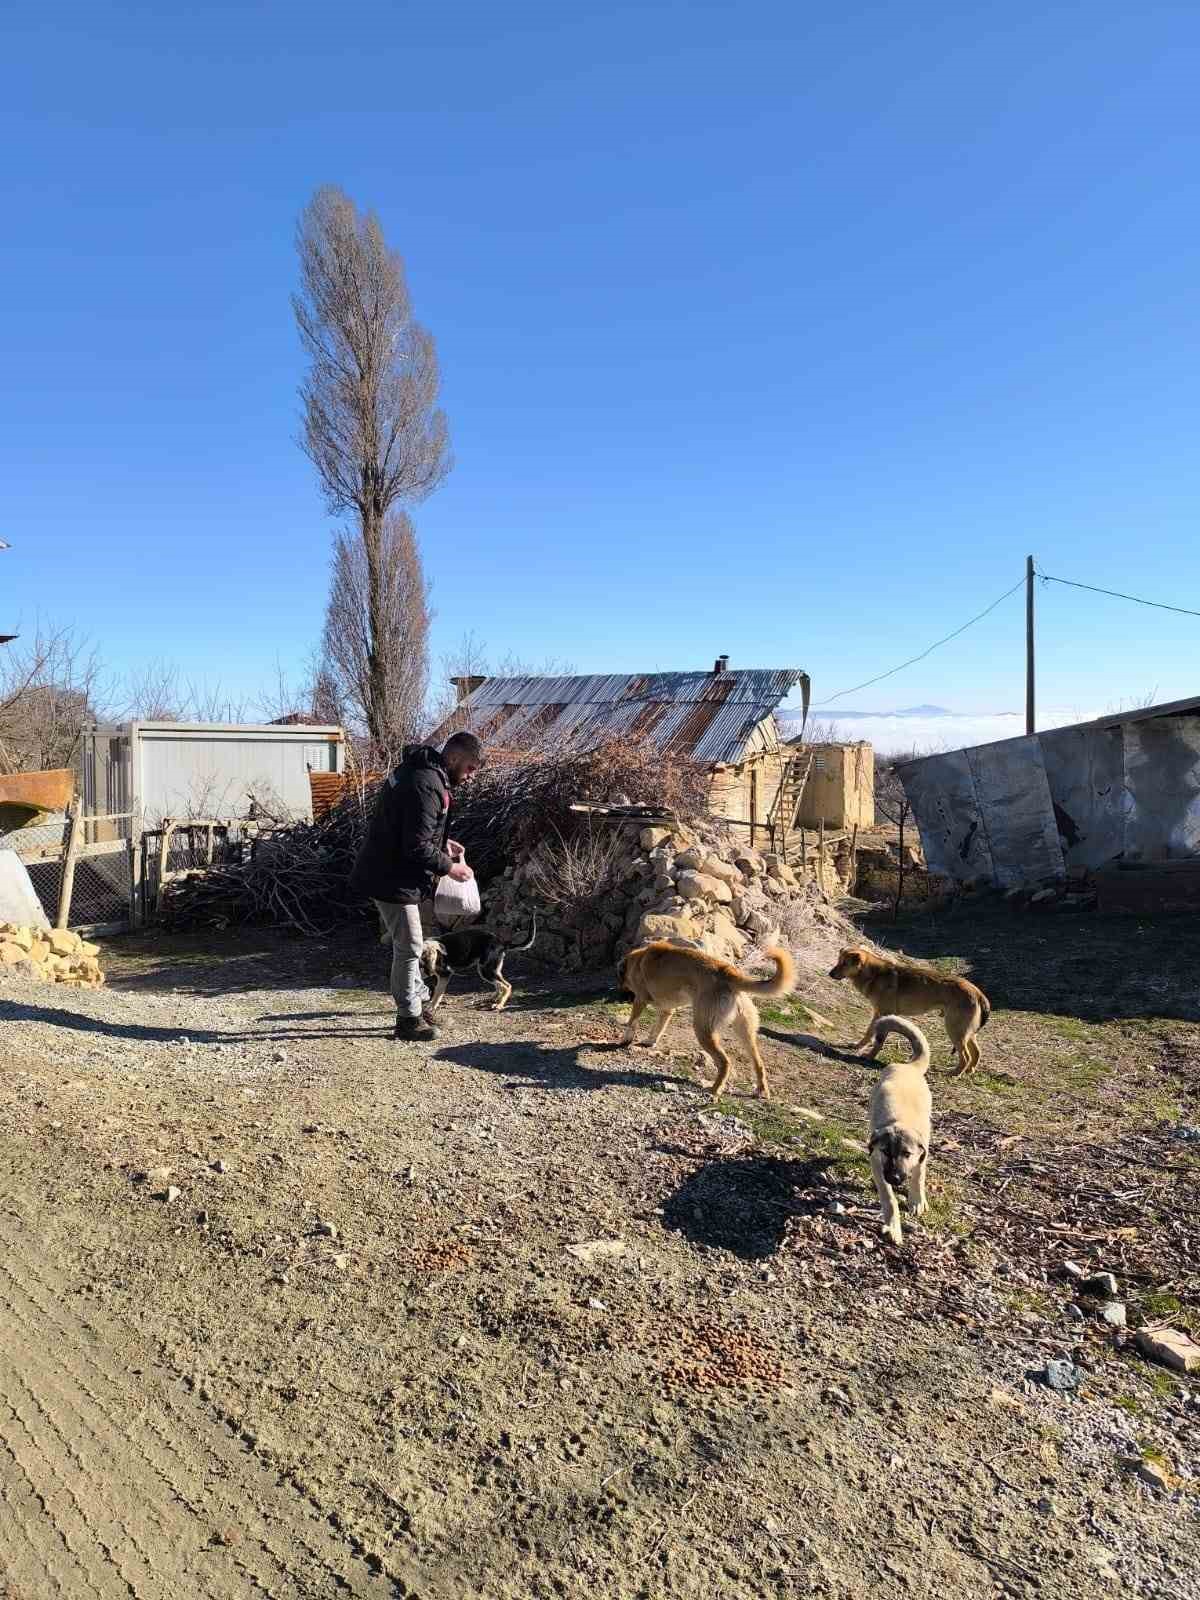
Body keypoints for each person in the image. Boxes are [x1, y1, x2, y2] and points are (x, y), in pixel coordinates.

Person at [349, 730, 483, 1041]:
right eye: (470, 768)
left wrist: (442, 844)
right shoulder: (426, 784)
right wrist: (451, 868)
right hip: (391, 877)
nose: (471, 776)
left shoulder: (420, 773)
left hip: (391, 871)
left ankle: (419, 1002)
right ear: (453, 758)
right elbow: (414, 845)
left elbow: (409, 829)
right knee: (409, 946)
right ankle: (408, 1019)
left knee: (412, 941)